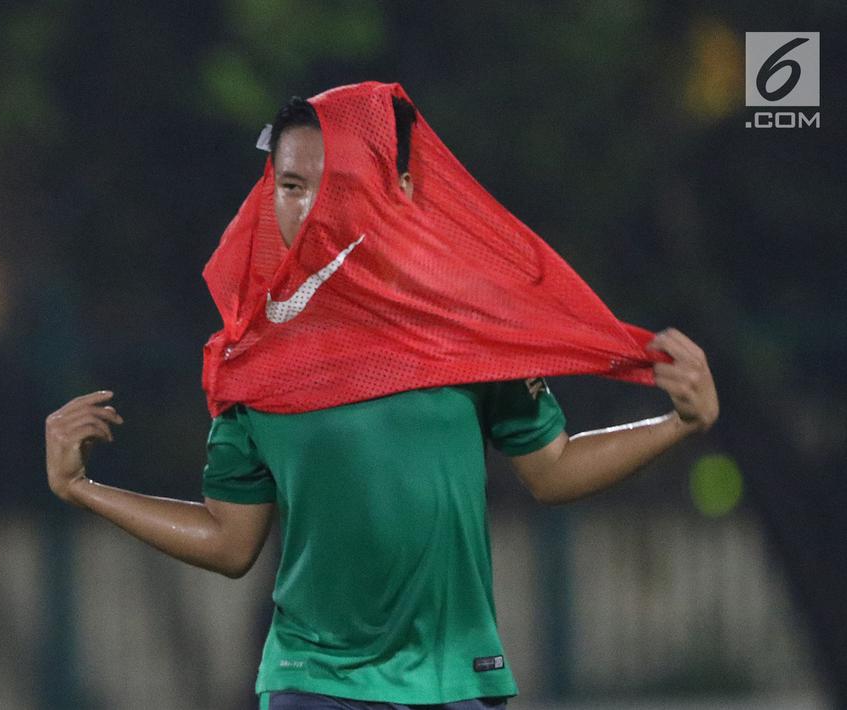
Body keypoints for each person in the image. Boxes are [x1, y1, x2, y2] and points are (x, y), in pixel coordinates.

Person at [44, 85, 719, 710]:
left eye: (330, 184)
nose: (304, 207)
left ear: (396, 189)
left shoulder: (463, 321)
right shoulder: (248, 356)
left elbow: (552, 468)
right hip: (315, 683)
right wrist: (84, 490)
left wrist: (676, 424)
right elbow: (231, 541)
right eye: (287, 185)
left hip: (457, 677)